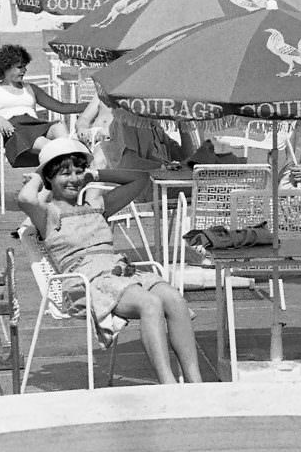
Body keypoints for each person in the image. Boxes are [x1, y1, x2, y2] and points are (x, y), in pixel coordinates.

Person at [17, 139, 203, 385]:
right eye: (64, 174)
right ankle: (168, 385)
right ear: (50, 178)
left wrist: (94, 174)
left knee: (175, 300)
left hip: (121, 272)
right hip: (85, 282)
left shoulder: (97, 207)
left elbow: (141, 179)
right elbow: (26, 198)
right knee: (150, 304)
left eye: (77, 171)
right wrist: (39, 175)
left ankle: (197, 384)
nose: (73, 179)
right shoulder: (49, 214)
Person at [0, 44, 86, 167]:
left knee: (59, 126)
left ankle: (66, 163)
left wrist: (93, 104)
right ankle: (70, 162)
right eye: (20, 67)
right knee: (50, 146)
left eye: (25, 67)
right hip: (14, 130)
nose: (24, 71)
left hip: (34, 125)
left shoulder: (30, 88)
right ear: (6, 68)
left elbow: (61, 107)